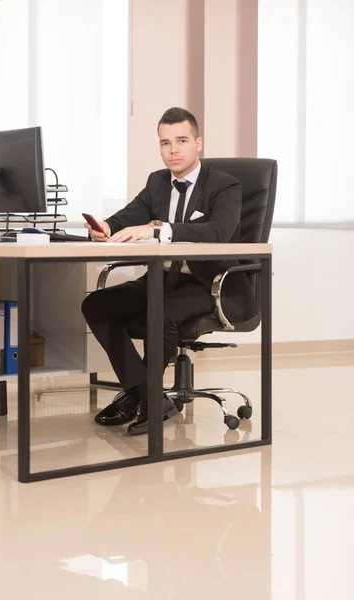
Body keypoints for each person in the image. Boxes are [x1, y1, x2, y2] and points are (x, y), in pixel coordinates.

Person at [82, 107, 255, 436]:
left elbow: (218, 230)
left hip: (208, 284)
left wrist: (157, 229)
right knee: (96, 304)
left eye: (181, 140)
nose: (172, 149)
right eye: (165, 143)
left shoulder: (224, 185)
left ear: (198, 143)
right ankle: (144, 393)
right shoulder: (157, 182)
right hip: (163, 279)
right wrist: (106, 225)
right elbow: (131, 213)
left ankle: (144, 396)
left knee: (160, 312)